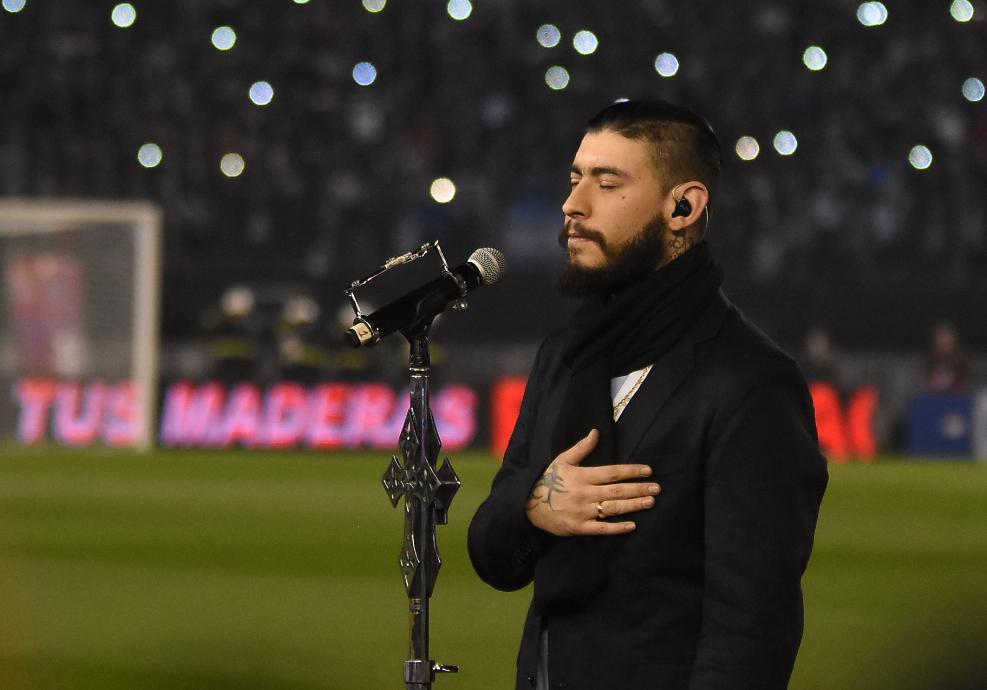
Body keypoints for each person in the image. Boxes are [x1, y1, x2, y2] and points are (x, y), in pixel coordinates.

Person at [467, 100, 829, 690]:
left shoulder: (752, 383)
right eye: (575, 178)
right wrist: (537, 505)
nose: (572, 205)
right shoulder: (566, 355)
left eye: (607, 184)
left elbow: (752, 630)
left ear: (683, 206)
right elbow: (490, 550)